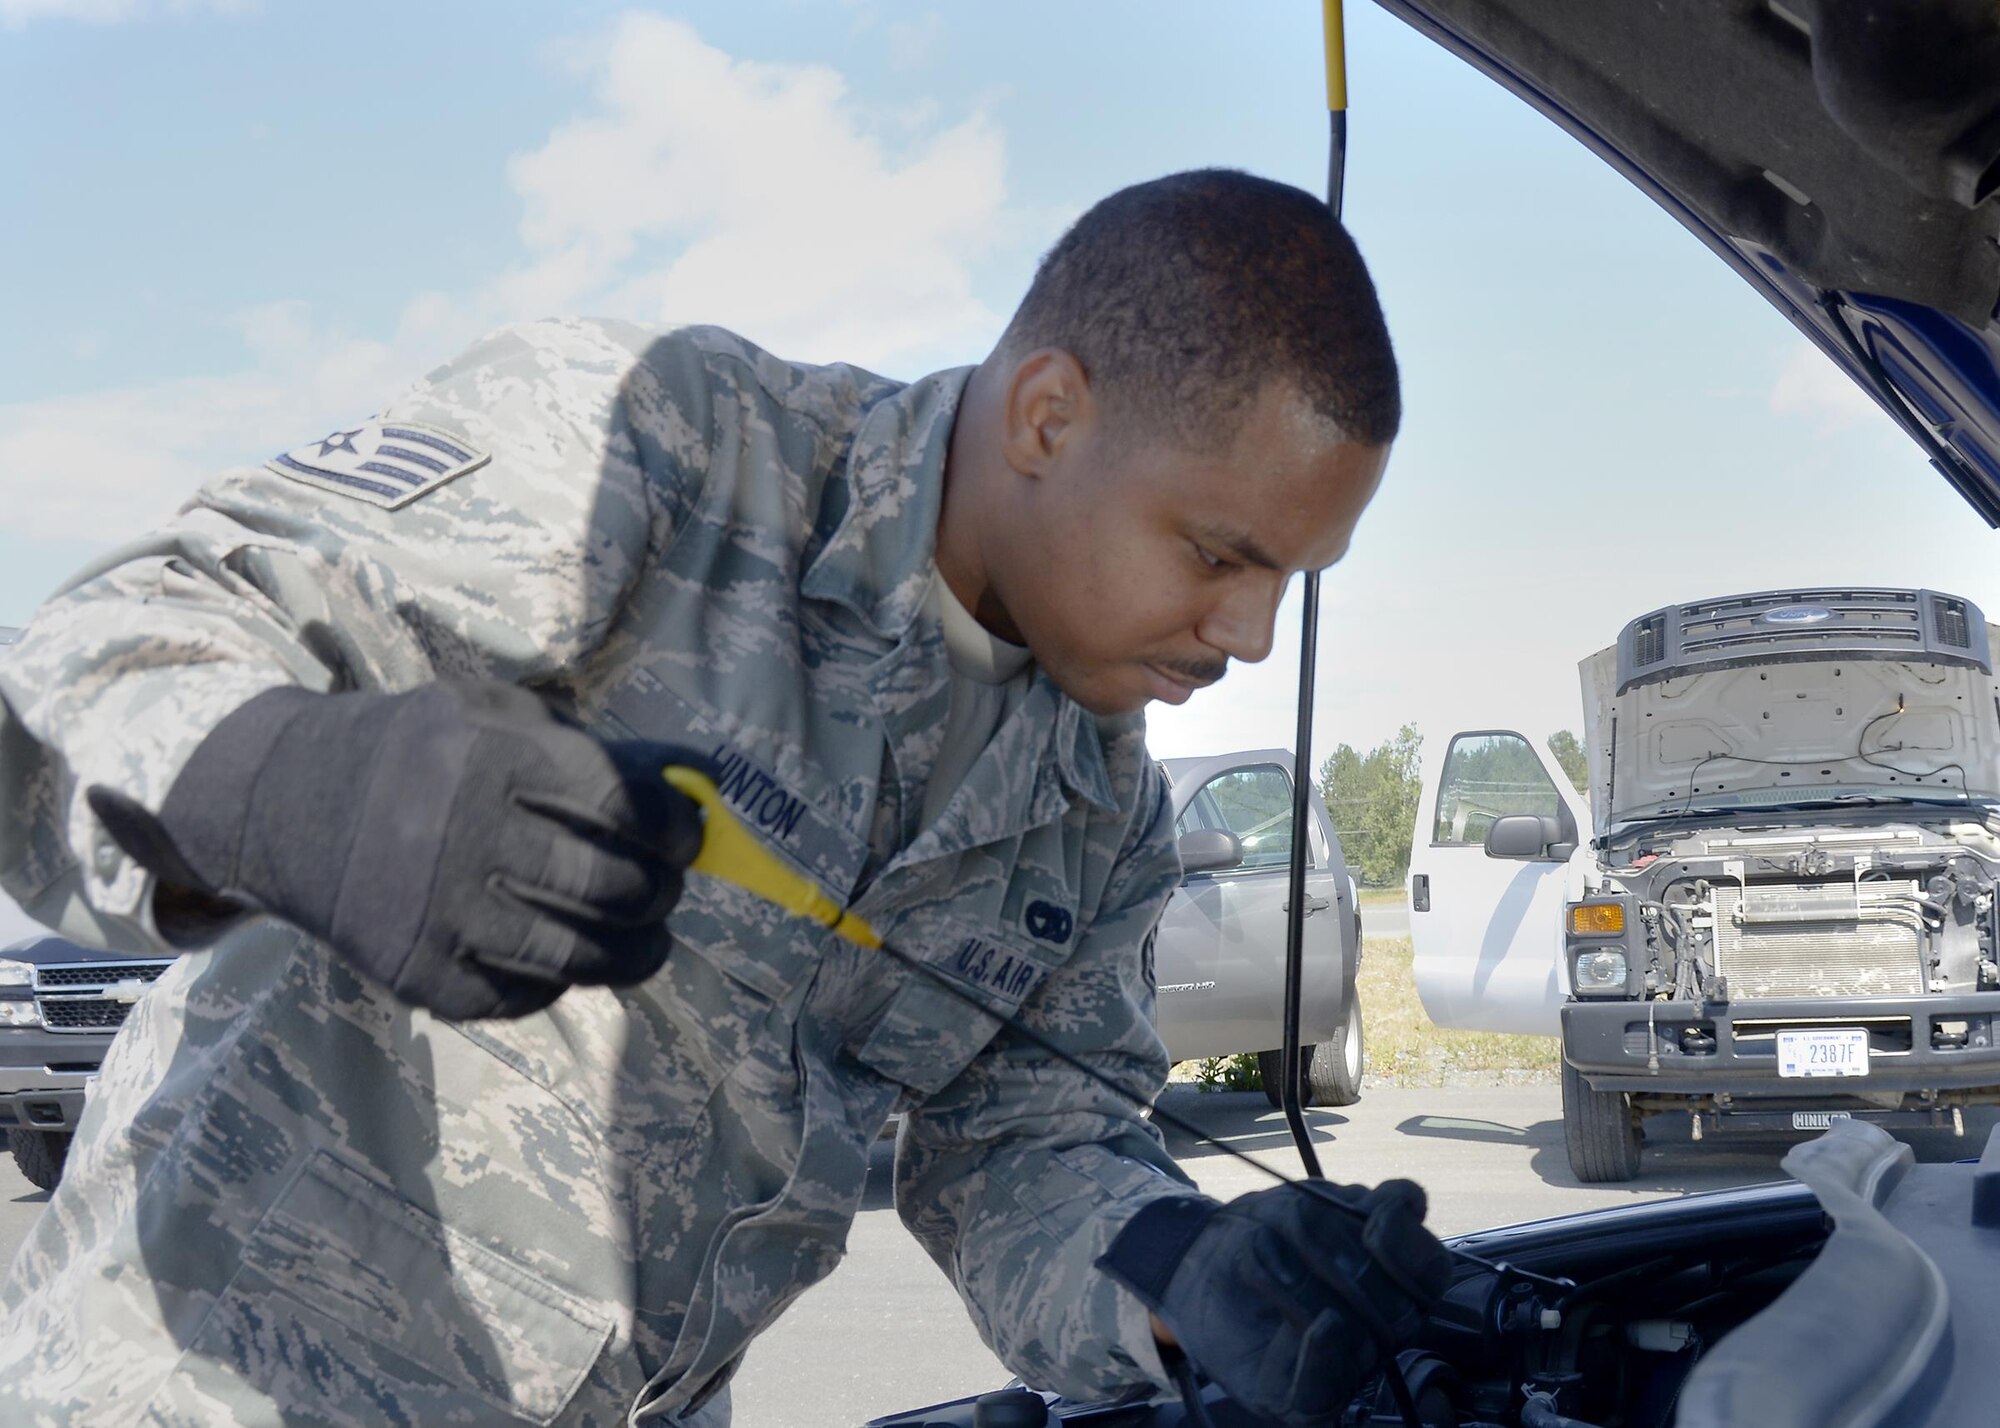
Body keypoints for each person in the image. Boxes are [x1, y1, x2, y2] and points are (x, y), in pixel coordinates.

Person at [0, 168, 1449, 1426]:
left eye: (1289, 585)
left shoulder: (1097, 817)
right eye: (1217, 553)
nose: (1251, 635)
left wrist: (1179, 1278)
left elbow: (1021, 1153)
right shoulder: (673, 451)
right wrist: (307, 793)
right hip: (222, 1381)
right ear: (1050, 418)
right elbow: (98, 651)